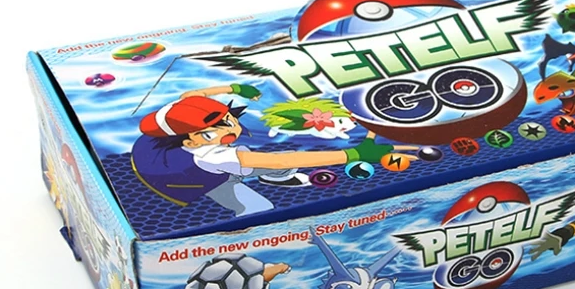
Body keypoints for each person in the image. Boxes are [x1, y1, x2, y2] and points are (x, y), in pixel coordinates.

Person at [131, 84, 416, 216]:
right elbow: (280, 160)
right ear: (191, 141)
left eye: (229, 120)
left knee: (256, 161)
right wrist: (353, 155)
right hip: (188, 179)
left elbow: (193, 94)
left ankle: (265, 177)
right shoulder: (212, 155)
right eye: (210, 132)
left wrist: (236, 88)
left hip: (163, 156)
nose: (231, 130)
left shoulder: (181, 110)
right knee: (259, 207)